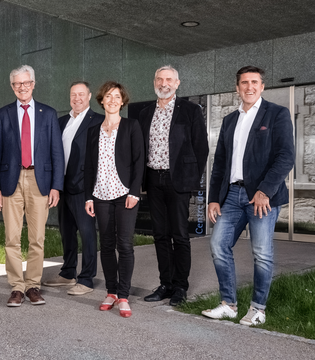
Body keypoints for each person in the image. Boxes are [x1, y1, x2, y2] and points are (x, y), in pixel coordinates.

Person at [202, 66, 294, 325]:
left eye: (254, 82)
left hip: (261, 197)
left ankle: (258, 310)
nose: (249, 87)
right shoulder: (230, 120)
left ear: (262, 86)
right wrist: (213, 198)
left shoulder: (277, 114)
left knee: (262, 252)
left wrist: (265, 190)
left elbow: (285, 156)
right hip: (231, 195)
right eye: (244, 83)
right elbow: (219, 162)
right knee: (218, 245)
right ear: (237, 87)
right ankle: (229, 304)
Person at [0, 65, 64, 307]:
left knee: (37, 238)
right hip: (10, 181)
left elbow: (56, 152)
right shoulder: (2, 115)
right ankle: (16, 287)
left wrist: (56, 186)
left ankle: (33, 285)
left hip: (39, 181)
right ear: (12, 87)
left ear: (33, 83)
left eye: (25, 83)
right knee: (11, 238)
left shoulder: (48, 114)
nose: (21, 87)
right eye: (16, 84)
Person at [139, 65, 208, 306]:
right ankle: (165, 284)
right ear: (154, 82)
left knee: (179, 235)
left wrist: (191, 178)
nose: (164, 83)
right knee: (160, 235)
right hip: (153, 179)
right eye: (160, 79)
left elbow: (201, 148)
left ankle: (180, 286)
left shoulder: (190, 110)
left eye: (169, 79)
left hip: (178, 181)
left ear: (177, 83)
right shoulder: (146, 112)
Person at [84, 82, 144, 317]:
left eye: (116, 96)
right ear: (101, 100)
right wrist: (88, 197)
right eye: (108, 96)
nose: (112, 100)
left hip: (124, 194)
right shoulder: (93, 130)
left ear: (122, 101)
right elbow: (89, 167)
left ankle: (124, 295)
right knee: (106, 245)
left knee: (125, 245)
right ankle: (111, 291)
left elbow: (139, 161)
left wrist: (134, 192)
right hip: (100, 194)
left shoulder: (131, 126)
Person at [43, 81, 103, 295]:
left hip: (85, 188)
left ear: (88, 96)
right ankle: (68, 273)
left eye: (81, 94)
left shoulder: (98, 121)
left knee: (87, 234)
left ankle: (86, 279)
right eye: (73, 95)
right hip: (62, 186)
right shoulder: (61, 122)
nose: (77, 98)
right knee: (66, 233)